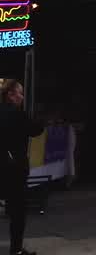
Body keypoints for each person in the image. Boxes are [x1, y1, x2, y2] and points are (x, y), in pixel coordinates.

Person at [0, 80, 42, 255]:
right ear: (10, 94)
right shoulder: (17, 114)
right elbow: (35, 130)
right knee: (17, 212)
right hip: (14, 168)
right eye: (19, 93)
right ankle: (15, 249)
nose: (22, 97)